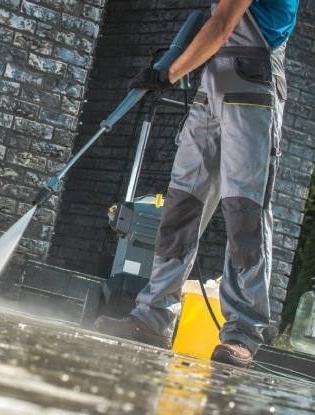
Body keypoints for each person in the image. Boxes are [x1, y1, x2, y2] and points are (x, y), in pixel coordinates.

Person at [95, 0, 299, 369]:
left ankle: (242, 332)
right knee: (182, 204)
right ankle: (153, 317)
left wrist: (168, 73)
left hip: (255, 82)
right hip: (213, 83)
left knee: (244, 211)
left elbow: (222, 25)